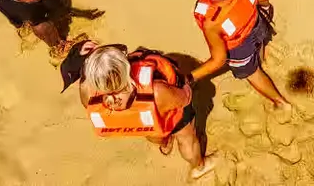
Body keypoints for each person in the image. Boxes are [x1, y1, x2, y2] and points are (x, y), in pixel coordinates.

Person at [61, 40, 217, 178]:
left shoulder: (86, 93)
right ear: (126, 68)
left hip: (143, 124)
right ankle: (199, 167)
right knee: (186, 139)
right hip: (169, 118)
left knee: (153, 131)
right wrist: (186, 86)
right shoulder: (156, 91)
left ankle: (165, 144)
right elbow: (184, 98)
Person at [189, 0, 287, 108]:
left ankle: (281, 103)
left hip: (239, 47)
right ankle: (260, 59)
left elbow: (219, 60)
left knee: (251, 73)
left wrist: (191, 77)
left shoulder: (212, 21)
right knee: (258, 43)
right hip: (257, 24)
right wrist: (266, 11)